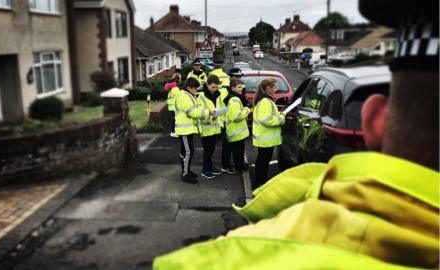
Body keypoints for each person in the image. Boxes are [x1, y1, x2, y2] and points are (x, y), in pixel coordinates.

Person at [153, 0, 439, 268]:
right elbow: (229, 114)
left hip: (239, 138)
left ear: (375, 121)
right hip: (219, 133)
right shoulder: (227, 97)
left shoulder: (227, 258)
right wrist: (261, 115)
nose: (237, 86)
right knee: (231, 159)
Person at [175, 77, 214, 184]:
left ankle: (186, 170)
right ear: (189, 87)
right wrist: (208, 112)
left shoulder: (187, 95)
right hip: (184, 130)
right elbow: (193, 113)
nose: (196, 91)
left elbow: (195, 110)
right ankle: (185, 174)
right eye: (195, 89)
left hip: (187, 129)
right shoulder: (184, 97)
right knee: (188, 152)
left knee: (186, 152)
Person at [252, 78, 285, 187]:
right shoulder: (266, 101)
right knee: (264, 161)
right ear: (268, 88)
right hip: (266, 137)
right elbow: (267, 120)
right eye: (275, 87)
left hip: (263, 136)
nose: (276, 89)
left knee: (262, 159)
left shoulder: (263, 100)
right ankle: (261, 182)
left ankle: (259, 180)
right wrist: (281, 118)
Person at [196, 75, 224, 179]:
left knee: (212, 150)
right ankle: (205, 170)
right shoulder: (201, 96)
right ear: (207, 85)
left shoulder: (218, 95)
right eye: (212, 87)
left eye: (216, 87)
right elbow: (199, 113)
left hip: (215, 128)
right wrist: (210, 114)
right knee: (208, 150)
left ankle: (210, 166)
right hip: (206, 128)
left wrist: (220, 122)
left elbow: (220, 108)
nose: (214, 89)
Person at [225, 78, 250, 172]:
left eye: (242, 87)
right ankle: (239, 167)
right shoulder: (234, 100)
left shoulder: (236, 97)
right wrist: (247, 110)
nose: (241, 89)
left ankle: (240, 165)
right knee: (237, 152)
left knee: (239, 151)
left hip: (237, 131)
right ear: (232, 88)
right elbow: (236, 117)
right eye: (239, 87)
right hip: (236, 131)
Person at [164, 73, 182, 137]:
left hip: (171, 106)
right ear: (178, 79)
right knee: (175, 119)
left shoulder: (172, 88)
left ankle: (174, 132)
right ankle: (173, 132)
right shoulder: (175, 89)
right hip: (174, 106)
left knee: (175, 119)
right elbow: (179, 98)